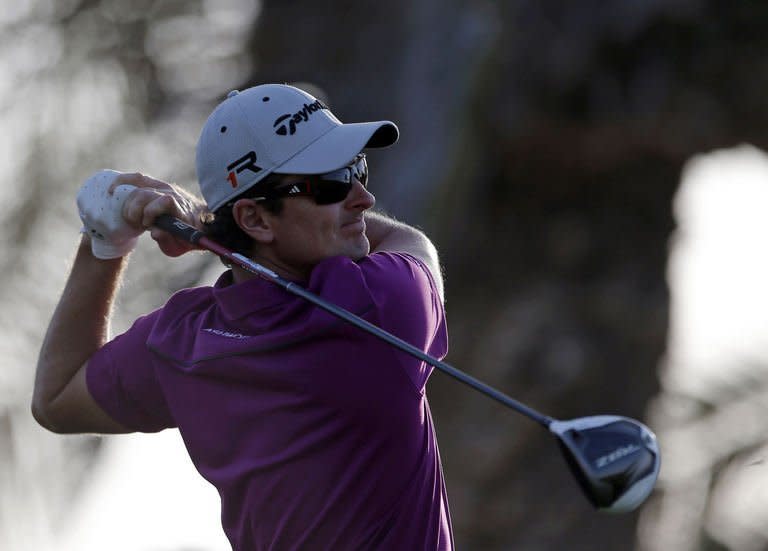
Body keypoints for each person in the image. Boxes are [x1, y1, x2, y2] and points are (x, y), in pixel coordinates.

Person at [32, 84, 453, 550]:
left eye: (357, 169)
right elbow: (415, 245)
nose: (362, 198)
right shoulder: (383, 306)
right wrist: (218, 224)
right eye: (332, 182)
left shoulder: (182, 341)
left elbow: (56, 397)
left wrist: (105, 240)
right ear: (256, 220)